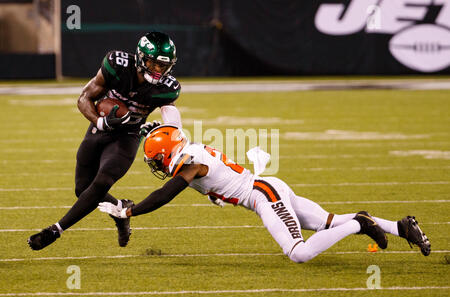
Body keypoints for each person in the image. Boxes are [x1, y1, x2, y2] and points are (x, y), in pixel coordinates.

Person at [98, 125, 431, 263]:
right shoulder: (190, 153)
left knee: (298, 253)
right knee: (327, 223)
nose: (157, 164)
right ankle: (401, 227)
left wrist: (129, 212)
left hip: (263, 194)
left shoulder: (189, 164)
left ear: (168, 152)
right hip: (265, 186)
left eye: (156, 158)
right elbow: (210, 181)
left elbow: (164, 194)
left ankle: (361, 223)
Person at [28, 31, 182, 250]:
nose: (158, 71)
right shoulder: (117, 65)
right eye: (153, 63)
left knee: (102, 182)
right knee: (83, 189)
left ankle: (55, 230)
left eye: (163, 66)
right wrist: (99, 122)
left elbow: (173, 123)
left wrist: (171, 135)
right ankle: (120, 210)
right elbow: (85, 97)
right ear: (140, 57)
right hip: (101, 127)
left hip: (128, 136)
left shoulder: (167, 88)